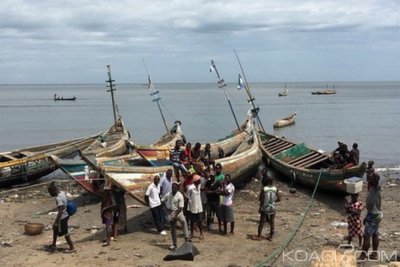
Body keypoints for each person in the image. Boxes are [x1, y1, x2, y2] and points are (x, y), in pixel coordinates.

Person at [359, 172, 382, 261]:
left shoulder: (376, 188)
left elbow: (376, 181)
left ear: (373, 181)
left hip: (373, 215)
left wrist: (374, 176)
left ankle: (363, 255)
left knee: (367, 236)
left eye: (370, 179)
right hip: (375, 214)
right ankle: (374, 254)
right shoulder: (373, 188)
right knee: (375, 234)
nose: (368, 180)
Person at [47, 182, 76, 253]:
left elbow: (61, 208)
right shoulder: (62, 193)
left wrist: (56, 221)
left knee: (65, 232)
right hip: (66, 215)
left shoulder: (58, 198)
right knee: (55, 228)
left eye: (50, 192)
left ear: (54, 190)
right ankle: (54, 244)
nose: (50, 194)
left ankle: (72, 248)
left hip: (63, 217)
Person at [161, 182, 189, 250]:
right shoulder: (168, 194)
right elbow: (162, 201)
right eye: (172, 187)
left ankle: (186, 240)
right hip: (171, 212)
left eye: (175, 187)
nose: (173, 188)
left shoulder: (180, 195)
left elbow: (180, 208)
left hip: (178, 213)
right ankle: (174, 244)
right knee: (173, 229)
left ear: (178, 188)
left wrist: (175, 216)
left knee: (184, 222)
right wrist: (166, 210)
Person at [254, 175, 281, 241]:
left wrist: (260, 208)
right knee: (272, 222)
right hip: (272, 207)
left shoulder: (264, 189)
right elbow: (279, 199)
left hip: (265, 207)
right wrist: (274, 201)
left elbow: (261, 199)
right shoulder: (275, 188)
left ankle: (259, 236)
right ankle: (271, 237)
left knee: (262, 222)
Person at [186, 174, 204, 240]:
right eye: (199, 180)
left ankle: (201, 233)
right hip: (192, 206)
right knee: (192, 221)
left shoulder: (199, 186)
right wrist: (188, 207)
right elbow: (187, 197)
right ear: (196, 181)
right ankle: (192, 234)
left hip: (199, 206)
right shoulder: (190, 188)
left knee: (199, 221)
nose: (200, 181)